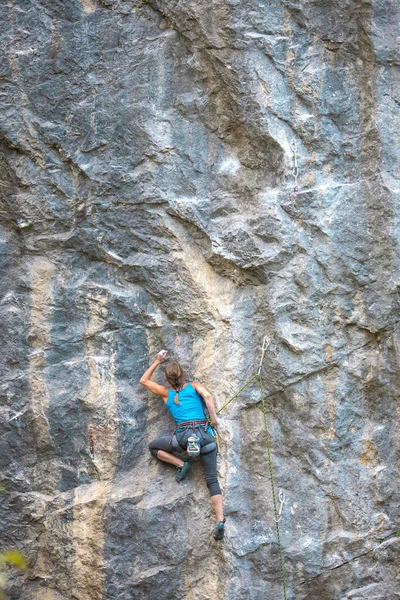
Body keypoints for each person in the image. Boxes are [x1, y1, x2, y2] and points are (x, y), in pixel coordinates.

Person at [139, 350, 226, 540]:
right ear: (182, 374)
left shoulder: (166, 393)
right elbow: (208, 396)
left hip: (183, 438)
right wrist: (214, 419)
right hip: (206, 436)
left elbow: (144, 381)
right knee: (212, 480)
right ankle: (220, 521)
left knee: (154, 446)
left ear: (168, 380)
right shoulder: (194, 386)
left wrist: (157, 361)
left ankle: (182, 463)